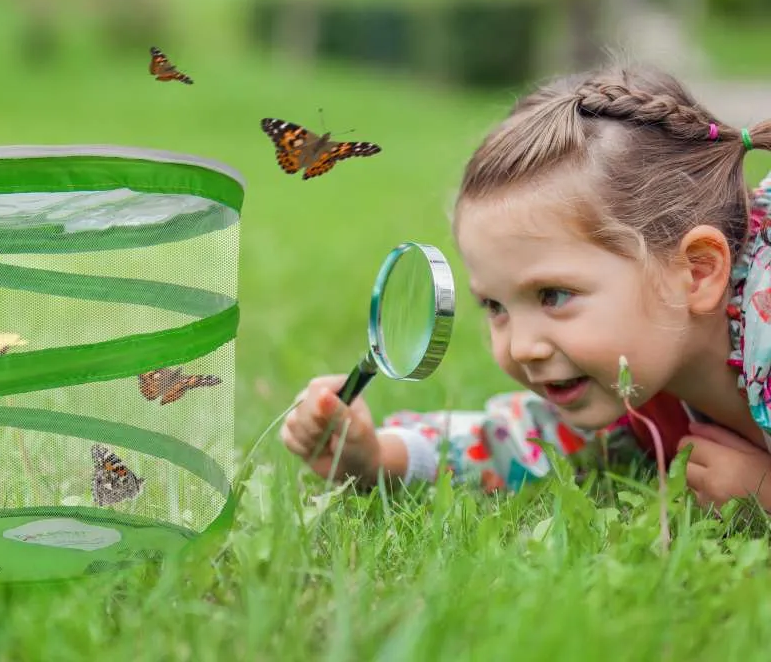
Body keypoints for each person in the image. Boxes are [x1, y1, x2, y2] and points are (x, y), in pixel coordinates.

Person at [281, 66, 771, 513]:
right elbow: (526, 440)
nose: (520, 347)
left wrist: (761, 489)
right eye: (495, 306)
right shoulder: (635, 378)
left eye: (553, 295)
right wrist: (378, 456)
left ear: (698, 272)